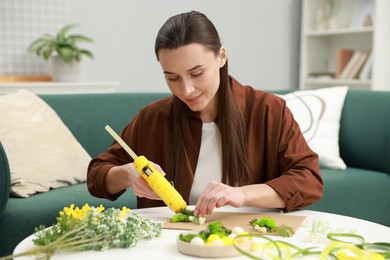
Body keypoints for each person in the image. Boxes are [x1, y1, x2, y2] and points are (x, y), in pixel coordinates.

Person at [87, 10, 323, 217]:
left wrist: (242, 194)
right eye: (172, 78)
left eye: (197, 73)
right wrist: (129, 174)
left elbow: (309, 180)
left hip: (250, 240)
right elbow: (97, 175)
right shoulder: (152, 118)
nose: (186, 90)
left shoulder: (269, 110)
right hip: (169, 244)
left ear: (221, 56)